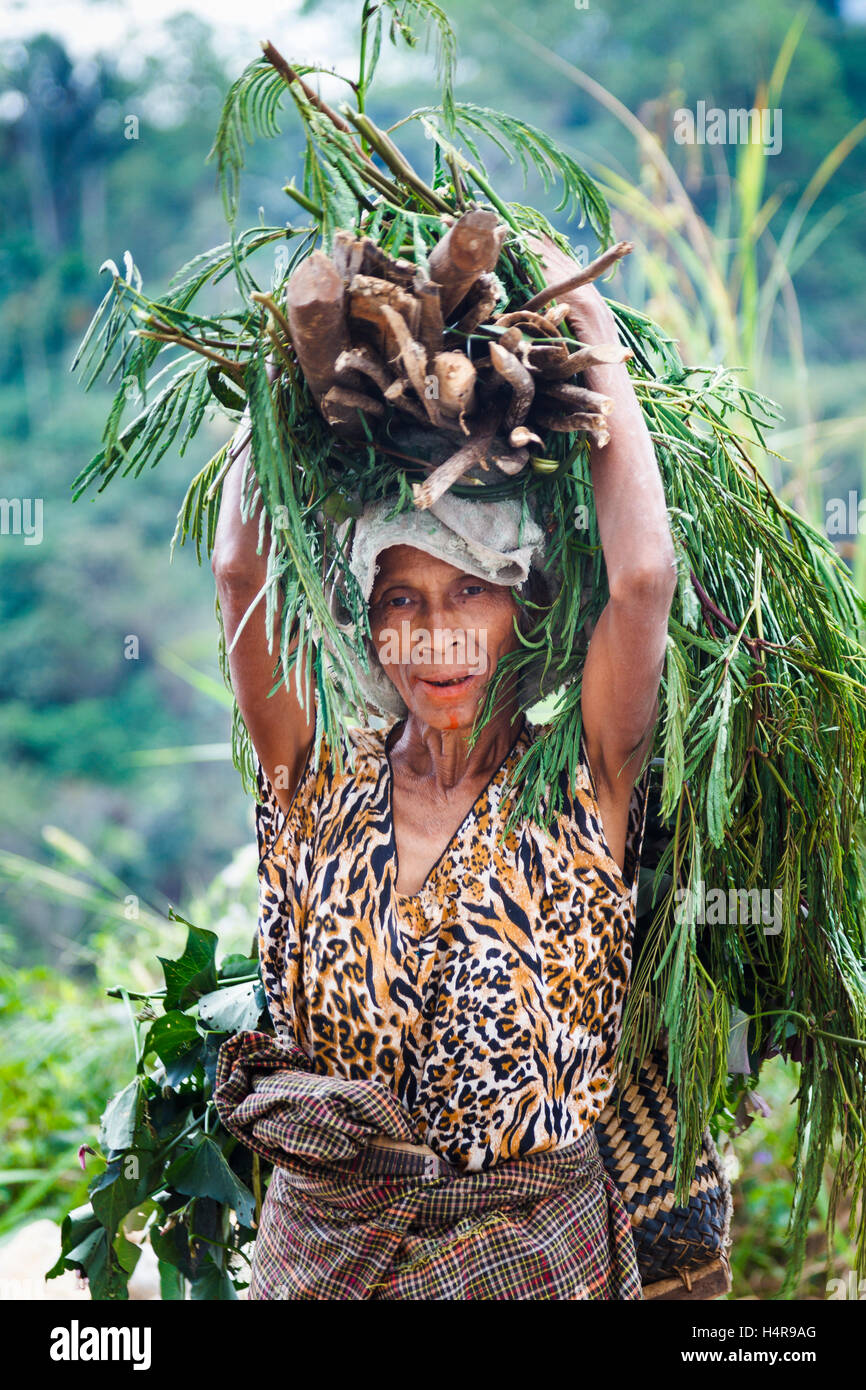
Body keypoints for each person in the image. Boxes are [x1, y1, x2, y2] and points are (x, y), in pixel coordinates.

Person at [211, 236, 677, 1300]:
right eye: (402, 603)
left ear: (524, 610)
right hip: (323, 1258)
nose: (437, 638)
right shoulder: (313, 787)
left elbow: (641, 577)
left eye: (472, 592)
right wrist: (285, 383)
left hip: (516, 1262)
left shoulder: (581, 787)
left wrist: (597, 352)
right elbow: (239, 564)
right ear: (367, 628)